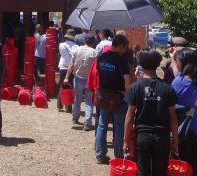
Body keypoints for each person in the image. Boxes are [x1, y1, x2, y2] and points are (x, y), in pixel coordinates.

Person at [124, 48, 179, 176]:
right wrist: (175, 141)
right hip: (162, 136)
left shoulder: (135, 88)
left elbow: (129, 116)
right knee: (160, 171)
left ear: (141, 65)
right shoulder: (167, 88)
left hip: (142, 136)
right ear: (158, 64)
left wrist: (126, 140)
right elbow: (173, 118)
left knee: (143, 170)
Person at [170, 47, 197, 175]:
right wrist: (172, 58)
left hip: (182, 129)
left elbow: (169, 101)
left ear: (183, 62)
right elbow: (179, 75)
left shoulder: (179, 82)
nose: (176, 64)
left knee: (182, 165)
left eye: (177, 61)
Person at [95, 34, 134, 164]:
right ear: (121, 46)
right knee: (118, 127)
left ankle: (100, 155)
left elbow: (99, 74)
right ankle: (118, 156)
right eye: (125, 48)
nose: (126, 50)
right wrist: (128, 97)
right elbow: (127, 80)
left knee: (102, 125)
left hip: (103, 95)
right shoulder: (120, 60)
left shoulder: (101, 57)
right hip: (118, 97)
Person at [64, 34, 98, 130]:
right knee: (89, 102)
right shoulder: (95, 53)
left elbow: (71, 64)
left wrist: (67, 77)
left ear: (84, 41)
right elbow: (97, 69)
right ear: (93, 42)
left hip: (78, 78)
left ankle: (75, 117)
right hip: (89, 80)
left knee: (77, 99)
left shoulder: (77, 50)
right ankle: (87, 122)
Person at [57, 29, 78, 112]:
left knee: (62, 85)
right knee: (70, 87)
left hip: (62, 67)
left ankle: (59, 105)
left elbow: (61, 54)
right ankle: (68, 107)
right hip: (72, 67)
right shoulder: (77, 47)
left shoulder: (61, 45)